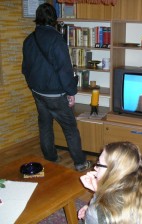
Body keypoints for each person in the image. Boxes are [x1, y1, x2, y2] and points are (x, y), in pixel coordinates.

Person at [22, 3, 91, 172]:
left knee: (45, 124)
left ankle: (50, 157)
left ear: (37, 18)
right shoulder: (57, 39)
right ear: (54, 19)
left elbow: (25, 68)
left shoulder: (29, 39)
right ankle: (80, 163)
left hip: (37, 91)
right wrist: (71, 92)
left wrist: (34, 87)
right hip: (54, 94)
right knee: (70, 128)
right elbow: (64, 69)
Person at [78, 141, 142, 224]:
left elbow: (100, 214)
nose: (95, 168)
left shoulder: (96, 212)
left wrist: (94, 203)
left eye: (99, 164)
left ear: (114, 171)